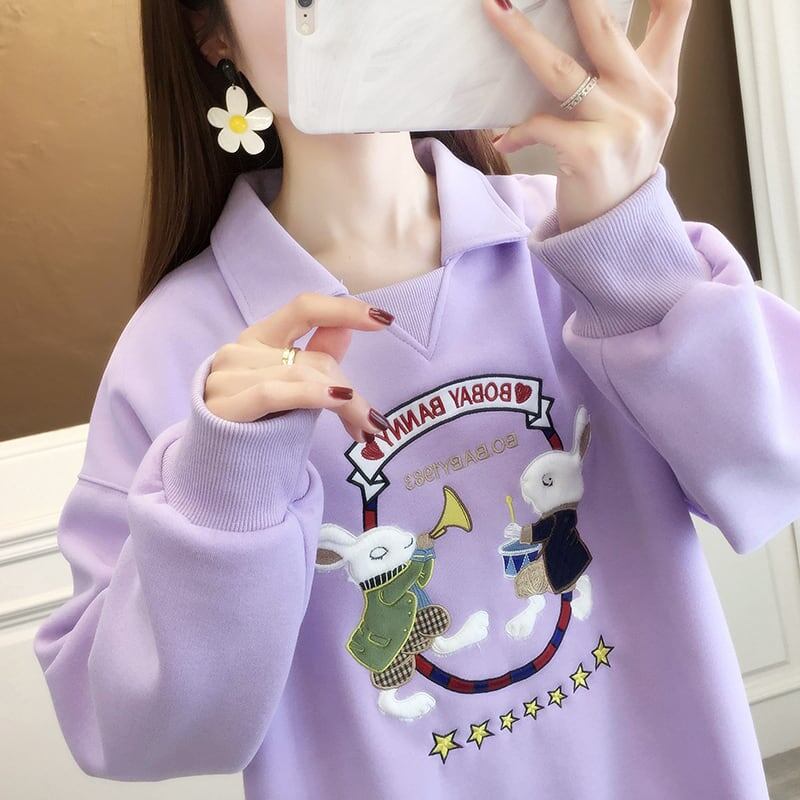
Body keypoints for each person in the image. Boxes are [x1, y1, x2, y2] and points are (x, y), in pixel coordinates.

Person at [33, 0, 799, 797]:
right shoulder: (174, 350)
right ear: (211, 32)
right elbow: (137, 734)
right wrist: (226, 485)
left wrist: (634, 255)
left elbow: (775, 471)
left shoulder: (581, 237)